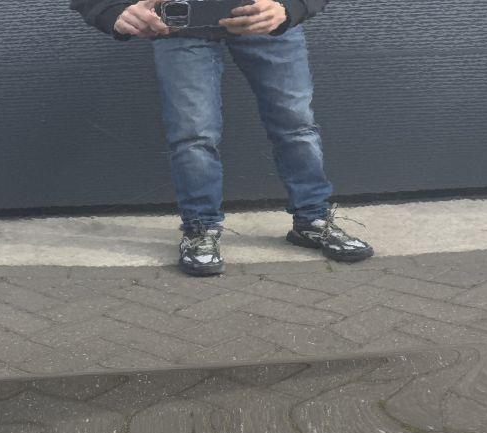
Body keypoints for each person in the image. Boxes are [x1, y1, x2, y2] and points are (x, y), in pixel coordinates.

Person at [72, 0, 374, 276]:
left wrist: (290, 7)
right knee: (193, 135)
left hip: (265, 19)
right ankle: (200, 229)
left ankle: (313, 219)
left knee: (296, 127)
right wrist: (112, 11)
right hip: (180, 26)